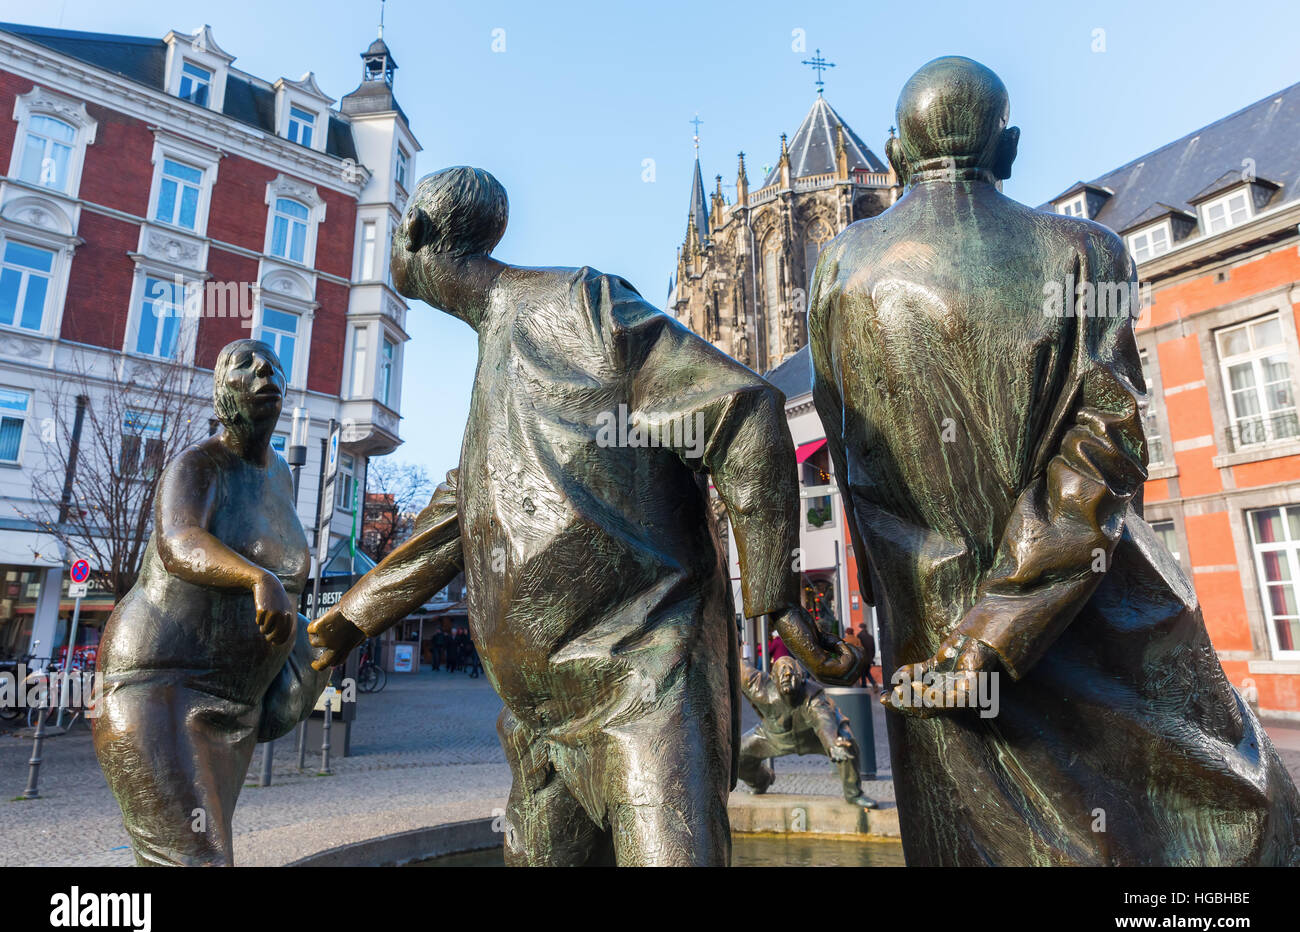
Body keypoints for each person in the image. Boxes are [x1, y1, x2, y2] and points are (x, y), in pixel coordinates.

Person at [809, 56, 1300, 864]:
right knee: (1216, 825)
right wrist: (999, 630)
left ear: (897, 156)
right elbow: (1104, 449)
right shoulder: (1086, 251)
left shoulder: (838, 266)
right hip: (1076, 621)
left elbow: (849, 449)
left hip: (926, 636)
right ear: (1008, 148)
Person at [308, 166, 860, 867]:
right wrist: (346, 620)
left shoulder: (582, 304)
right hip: (542, 724)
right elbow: (455, 519)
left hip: (641, 686)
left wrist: (775, 600)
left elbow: (744, 413)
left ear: (414, 232)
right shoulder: (498, 353)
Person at [93, 340, 329, 865]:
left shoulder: (281, 477)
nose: (264, 368)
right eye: (243, 362)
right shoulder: (197, 465)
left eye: (272, 363)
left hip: (236, 703)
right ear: (223, 390)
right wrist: (256, 577)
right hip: (162, 684)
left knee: (194, 852)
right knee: (197, 860)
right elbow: (179, 541)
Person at [737, 656, 876, 808]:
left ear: (802, 677)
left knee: (844, 743)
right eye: (782, 671)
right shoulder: (758, 687)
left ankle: (854, 793)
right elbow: (740, 668)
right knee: (736, 757)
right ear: (773, 678)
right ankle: (761, 780)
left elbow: (823, 720)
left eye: (792, 671)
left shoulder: (813, 695)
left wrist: (832, 744)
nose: (787, 674)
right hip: (772, 736)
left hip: (813, 736)